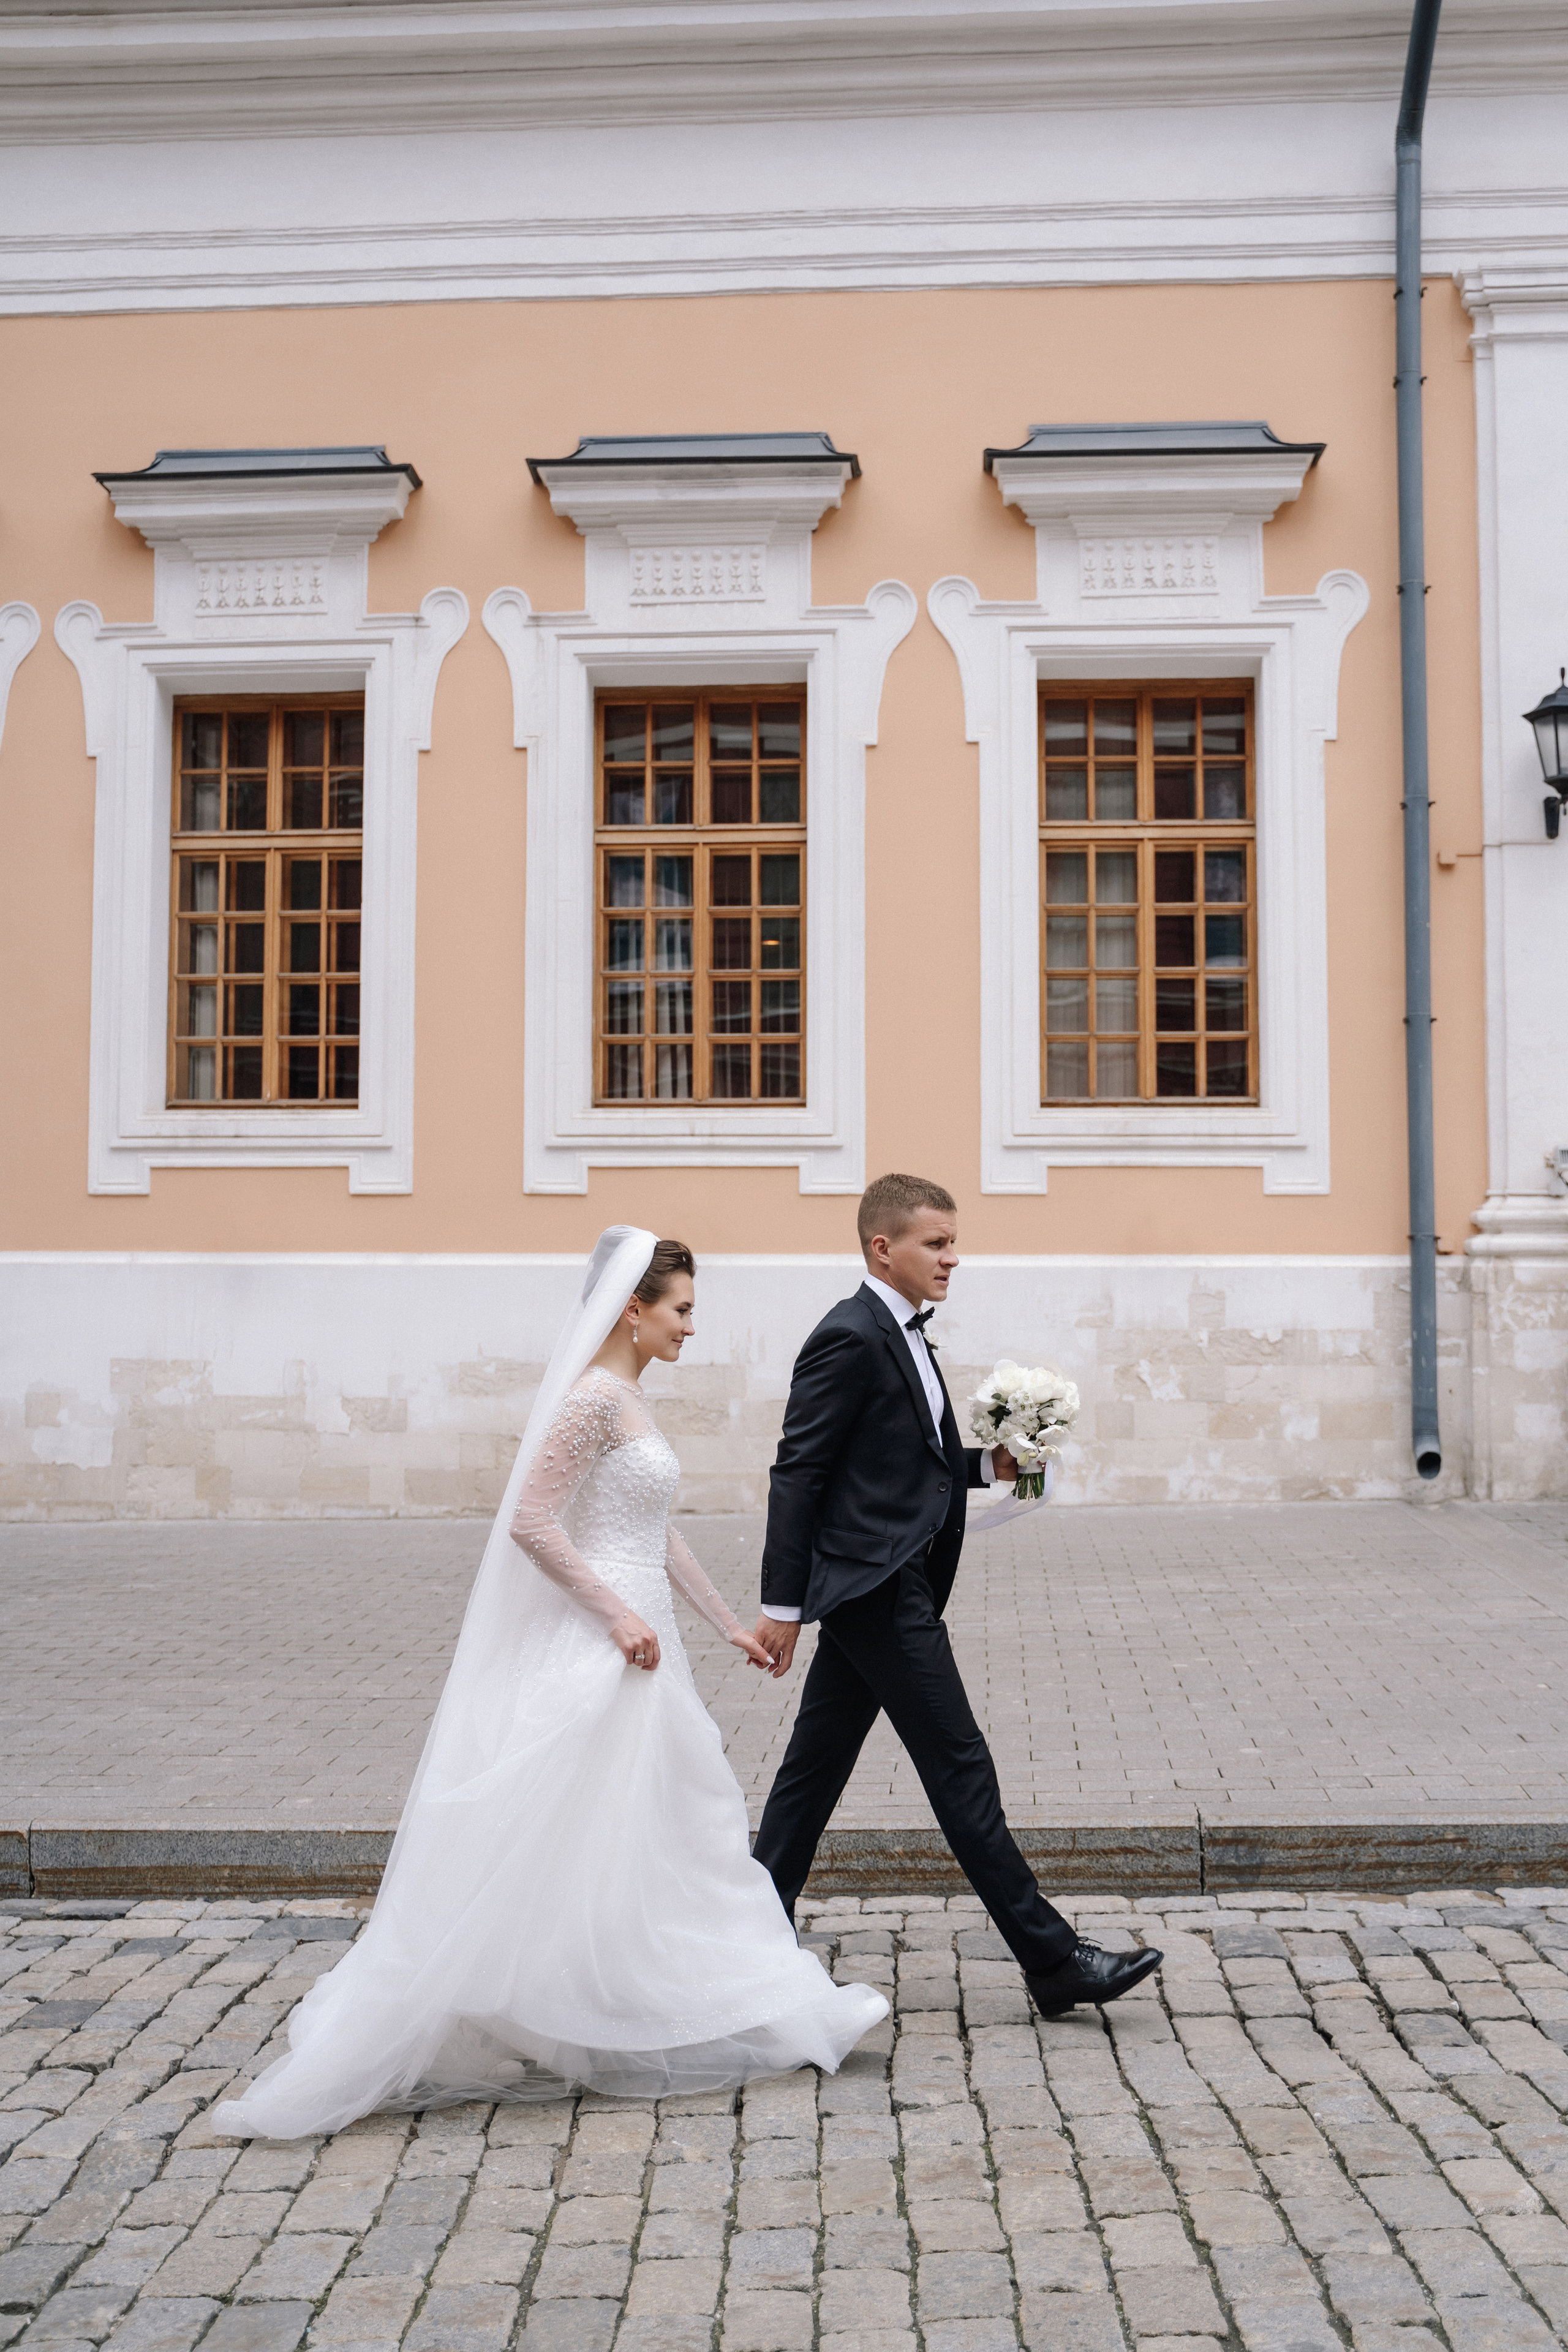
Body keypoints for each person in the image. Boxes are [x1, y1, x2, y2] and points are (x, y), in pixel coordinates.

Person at [213, 1227, 886, 2138]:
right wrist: (613, 1613)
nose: (693, 1328)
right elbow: (531, 1520)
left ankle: (652, 1995)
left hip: (647, 1633)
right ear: (633, 1310)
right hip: (606, 1643)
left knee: (661, 1821)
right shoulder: (593, 1401)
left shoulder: (631, 1402)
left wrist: (726, 1620)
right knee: (614, 1820)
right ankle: (594, 1999)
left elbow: (654, 1528)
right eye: (681, 1310)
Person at [750, 1173, 1163, 2018]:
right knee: (959, 1765)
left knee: (811, 1772)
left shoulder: (902, 1333)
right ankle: (1051, 1959)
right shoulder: (849, 1335)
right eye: (936, 1243)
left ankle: (744, 1932)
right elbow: (800, 1474)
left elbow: (905, 1467)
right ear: (882, 1248)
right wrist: (782, 1608)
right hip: (875, 1589)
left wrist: (991, 1467)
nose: (952, 1257)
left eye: (952, 1241)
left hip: (891, 1578)